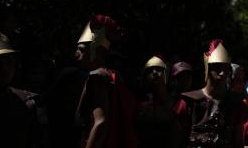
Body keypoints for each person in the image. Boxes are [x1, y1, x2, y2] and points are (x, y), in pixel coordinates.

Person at [74, 14, 138, 148]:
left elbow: (100, 123)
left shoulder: (97, 77)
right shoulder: (111, 76)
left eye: (81, 50)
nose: (76, 54)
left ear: (97, 51)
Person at [179, 39, 248, 148]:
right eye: (217, 68)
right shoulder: (189, 102)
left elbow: (238, 143)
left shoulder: (237, 105)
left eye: (225, 69)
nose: (221, 73)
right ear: (208, 68)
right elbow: (178, 140)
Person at [135, 56, 183, 148]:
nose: (154, 73)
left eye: (159, 69)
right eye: (150, 70)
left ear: (166, 74)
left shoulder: (178, 102)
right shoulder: (139, 104)